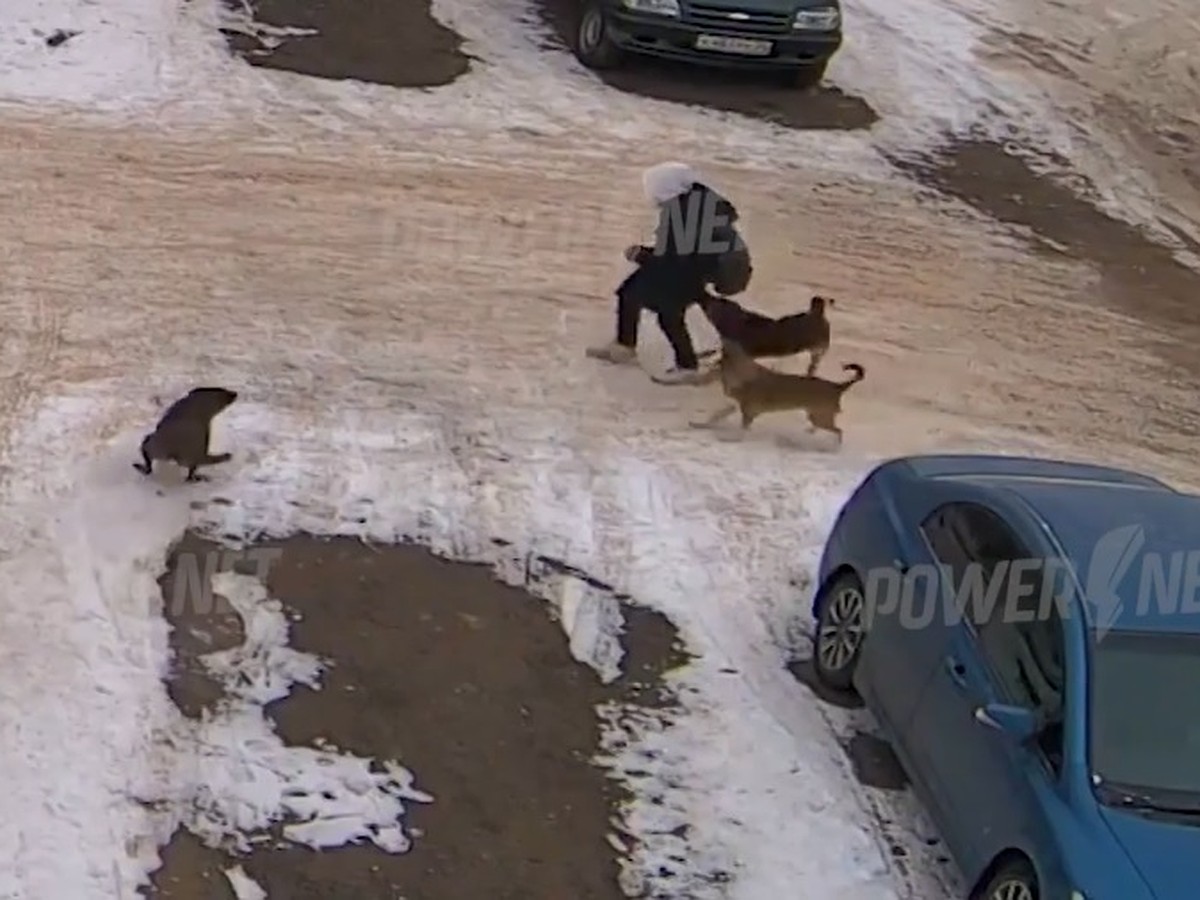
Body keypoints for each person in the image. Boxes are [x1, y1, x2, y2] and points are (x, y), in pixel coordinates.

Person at [586, 162, 753, 384]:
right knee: (630, 292)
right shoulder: (691, 201)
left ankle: (687, 365)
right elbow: (675, 252)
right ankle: (625, 346)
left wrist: (641, 255)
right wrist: (647, 255)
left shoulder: (689, 211)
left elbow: (677, 258)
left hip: (700, 269)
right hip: (696, 266)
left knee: (669, 311)